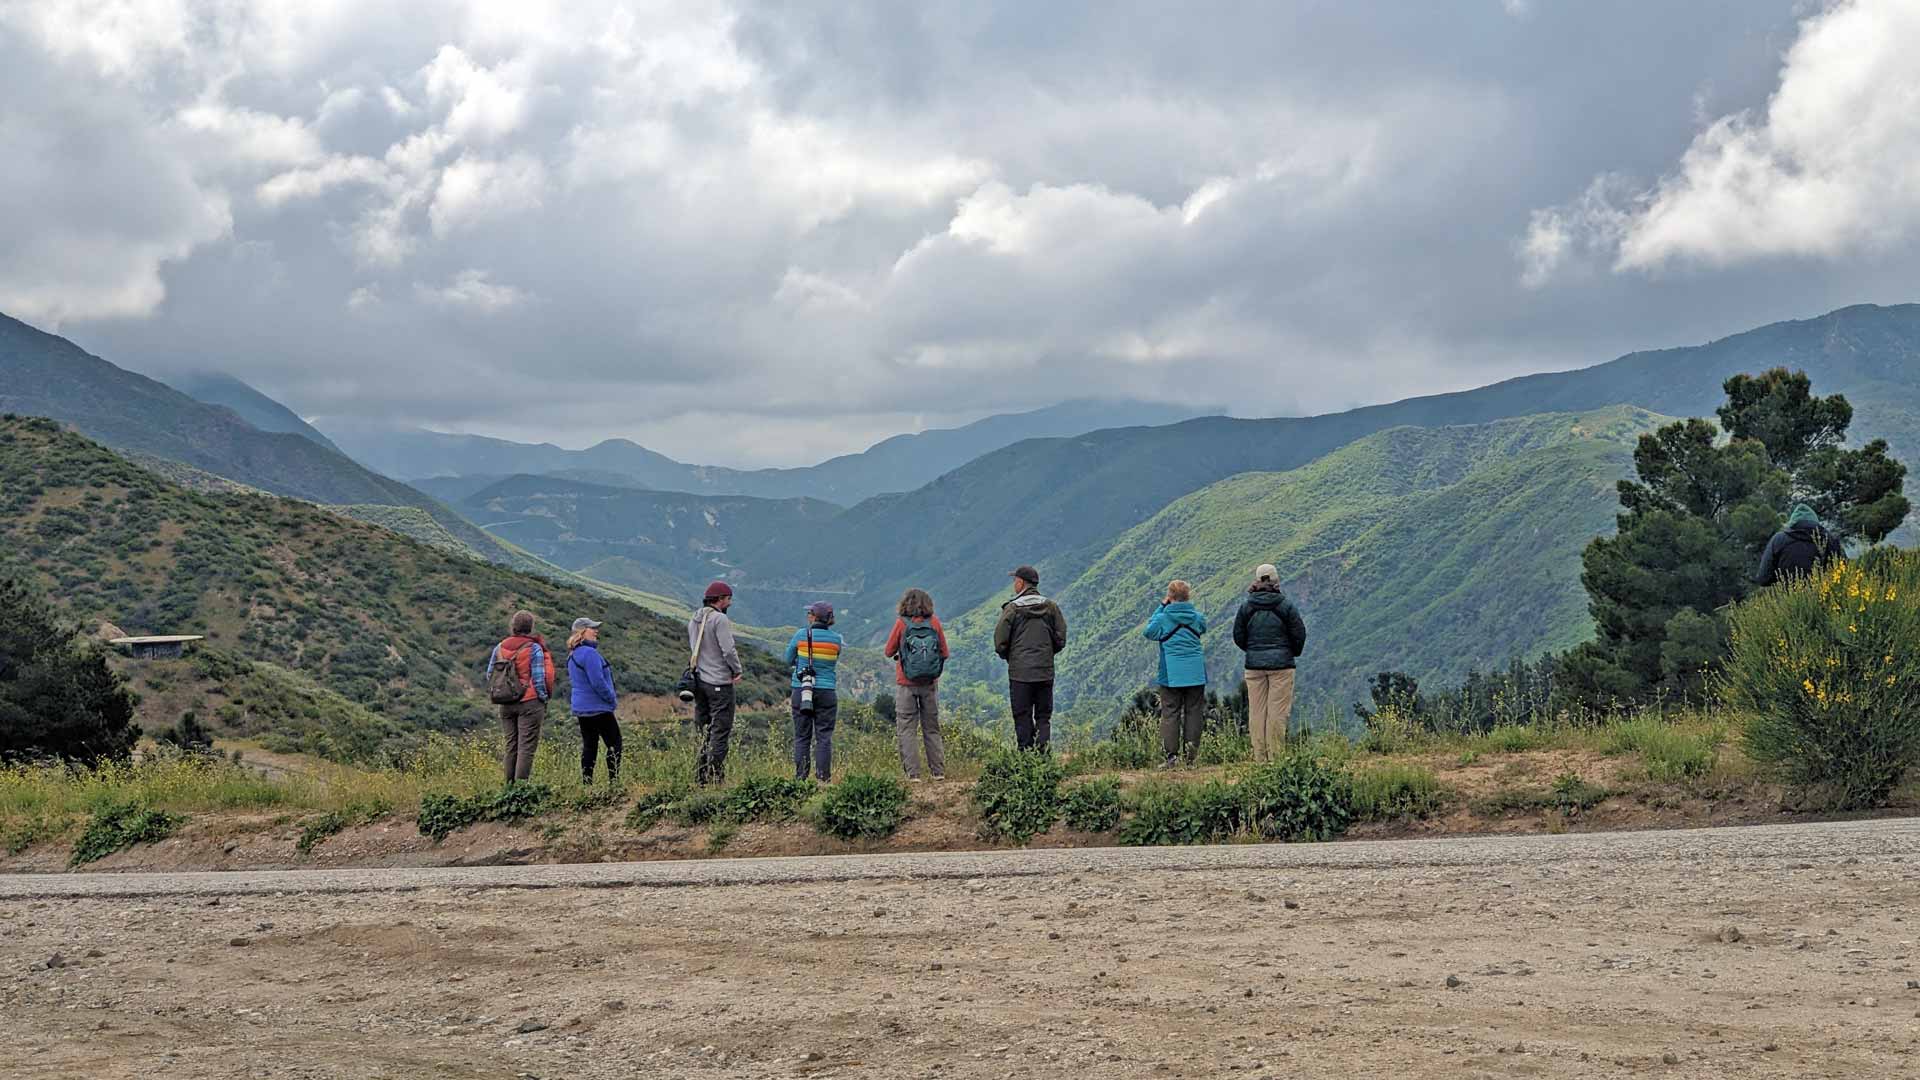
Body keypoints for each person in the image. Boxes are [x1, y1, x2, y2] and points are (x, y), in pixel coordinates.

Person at [1232, 564, 1307, 762]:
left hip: (1254, 667)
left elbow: (1238, 635)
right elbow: (1299, 634)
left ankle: (1260, 758)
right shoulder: (1286, 606)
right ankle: (1277, 758)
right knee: (1277, 713)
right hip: (1282, 666)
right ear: (1276, 581)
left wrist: (1253, 651)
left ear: (1257, 581)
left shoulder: (1246, 607)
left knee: (1257, 712)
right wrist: (1292, 653)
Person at [993, 565, 1067, 753]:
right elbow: (1060, 639)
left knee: (1022, 715)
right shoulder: (1051, 607)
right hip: (1044, 671)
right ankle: (1043, 756)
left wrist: (1011, 656)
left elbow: (1000, 641)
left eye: (1015, 580)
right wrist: (1047, 654)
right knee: (1043, 716)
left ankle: (1026, 758)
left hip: (1020, 673)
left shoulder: (1012, 609)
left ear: (1021, 582)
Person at [884, 588, 950, 782]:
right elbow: (945, 653)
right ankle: (938, 772)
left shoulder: (901, 624)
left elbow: (888, 651)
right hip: (930, 683)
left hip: (906, 683)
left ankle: (913, 775)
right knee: (931, 728)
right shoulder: (935, 623)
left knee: (907, 729)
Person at [1143, 580, 1208, 768]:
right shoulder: (1197, 618)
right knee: (1194, 712)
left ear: (1170, 596)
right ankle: (1191, 758)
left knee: (1170, 713)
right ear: (1188, 597)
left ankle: (1171, 757)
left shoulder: (1163, 618)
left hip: (1171, 674)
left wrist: (1162, 606)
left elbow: (1148, 631)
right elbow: (1202, 628)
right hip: (1195, 673)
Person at [486, 610, 555, 784]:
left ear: (513, 626)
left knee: (511, 746)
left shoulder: (499, 647)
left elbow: (490, 674)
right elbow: (539, 679)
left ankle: (509, 788)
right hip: (529, 702)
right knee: (526, 747)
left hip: (506, 703)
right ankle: (521, 789)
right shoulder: (534, 648)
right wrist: (542, 698)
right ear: (531, 628)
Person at [688, 581, 743, 785]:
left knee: (703, 729)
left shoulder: (694, 619)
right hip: (719, 680)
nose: (729, 603)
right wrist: (737, 669)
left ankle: (700, 777)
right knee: (720, 730)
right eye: (728, 599)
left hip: (700, 680)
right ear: (720, 599)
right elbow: (728, 650)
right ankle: (715, 778)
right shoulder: (719, 619)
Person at [785, 602, 844, 782]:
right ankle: (823, 779)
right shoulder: (836, 639)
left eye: (809, 613)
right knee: (824, 737)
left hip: (802, 689)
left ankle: (801, 778)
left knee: (802, 736)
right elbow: (832, 660)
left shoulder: (801, 635)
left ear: (813, 617)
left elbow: (788, 659)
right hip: (826, 691)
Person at [567, 617, 621, 785]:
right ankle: (614, 782)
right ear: (582, 632)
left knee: (590, 746)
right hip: (599, 707)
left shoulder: (573, 655)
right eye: (592, 628)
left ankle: (587, 785)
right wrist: (611, 699)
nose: (596, 630)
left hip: (582, 709)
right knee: (615, 744)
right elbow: (597, 682)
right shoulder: (590, 654)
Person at [1755, 503, 1840, 586]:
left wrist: (1783, 578)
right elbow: (1843, 570)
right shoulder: (1829, 539)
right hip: (1824, 595)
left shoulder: (1778, 540)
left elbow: (1763, 579)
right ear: (1815, 522)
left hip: (1789, 597)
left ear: (1792, 523)